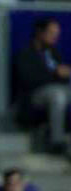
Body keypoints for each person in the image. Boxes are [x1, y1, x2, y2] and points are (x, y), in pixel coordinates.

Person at [14, 18, 71, 152]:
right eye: (51, 33)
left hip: (57, 89)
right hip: (35, 96)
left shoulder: (53, 53)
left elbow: (61, 77)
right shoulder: (26, 54)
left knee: (59, 93)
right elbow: (29, 80)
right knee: (57, 95)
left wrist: (65, 73)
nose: (55, 37)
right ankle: (57, 141)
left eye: (56, 34)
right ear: (40, 33)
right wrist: (55, 74)